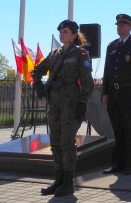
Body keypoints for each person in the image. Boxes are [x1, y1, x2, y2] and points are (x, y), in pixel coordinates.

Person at [32, 19, 94, 197]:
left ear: (74, 34)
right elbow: (37, 70)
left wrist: (82, 103)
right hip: (55, 105)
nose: (61, 34)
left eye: (65, 31)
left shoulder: (80, 54)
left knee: (67, 143)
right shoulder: (54, 55)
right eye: (60, 32)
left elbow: (87, 82)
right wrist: (38, 85)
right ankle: (58, 179)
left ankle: (68, 182)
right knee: (56, 143)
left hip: (71, 105)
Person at [102, 13, 131, 175]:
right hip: (113, 94)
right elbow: (107, 71)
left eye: (122, 24)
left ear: (129, 27)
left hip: (129, 93)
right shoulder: (111, 46)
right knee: (117, 130)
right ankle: (117, 164)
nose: (118, 26)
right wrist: (105, 92)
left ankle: (128, 165)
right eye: (117, 24)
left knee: (129, 129)